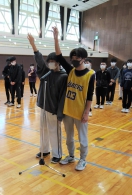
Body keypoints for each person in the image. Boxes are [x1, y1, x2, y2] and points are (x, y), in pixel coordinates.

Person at [53, 26, 95, 171]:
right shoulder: (70, 70)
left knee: (82, 138)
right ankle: (71, 156)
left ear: (84, 58)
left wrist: (86, 112)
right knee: (69, 136)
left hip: (80, 112)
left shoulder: (90, 74)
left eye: (77, 58)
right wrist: (56, 38)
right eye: (73, 58)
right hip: (68, 110)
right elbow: (59, 56)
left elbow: (89, 96)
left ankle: (83, 159)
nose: (74, 60)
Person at [27, 33, 68, 164]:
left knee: (54, 132)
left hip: (55, 110)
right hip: (43, 106)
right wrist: (33, 45)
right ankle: (44, 150)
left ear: (58, 63)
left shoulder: (63, 76)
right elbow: (39, 60)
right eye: (49, 61)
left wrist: (60, 112)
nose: (51, 63)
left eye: (53, 61)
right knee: (43, 130)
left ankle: (57, 153)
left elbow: (63, 97)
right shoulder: (46, 73)